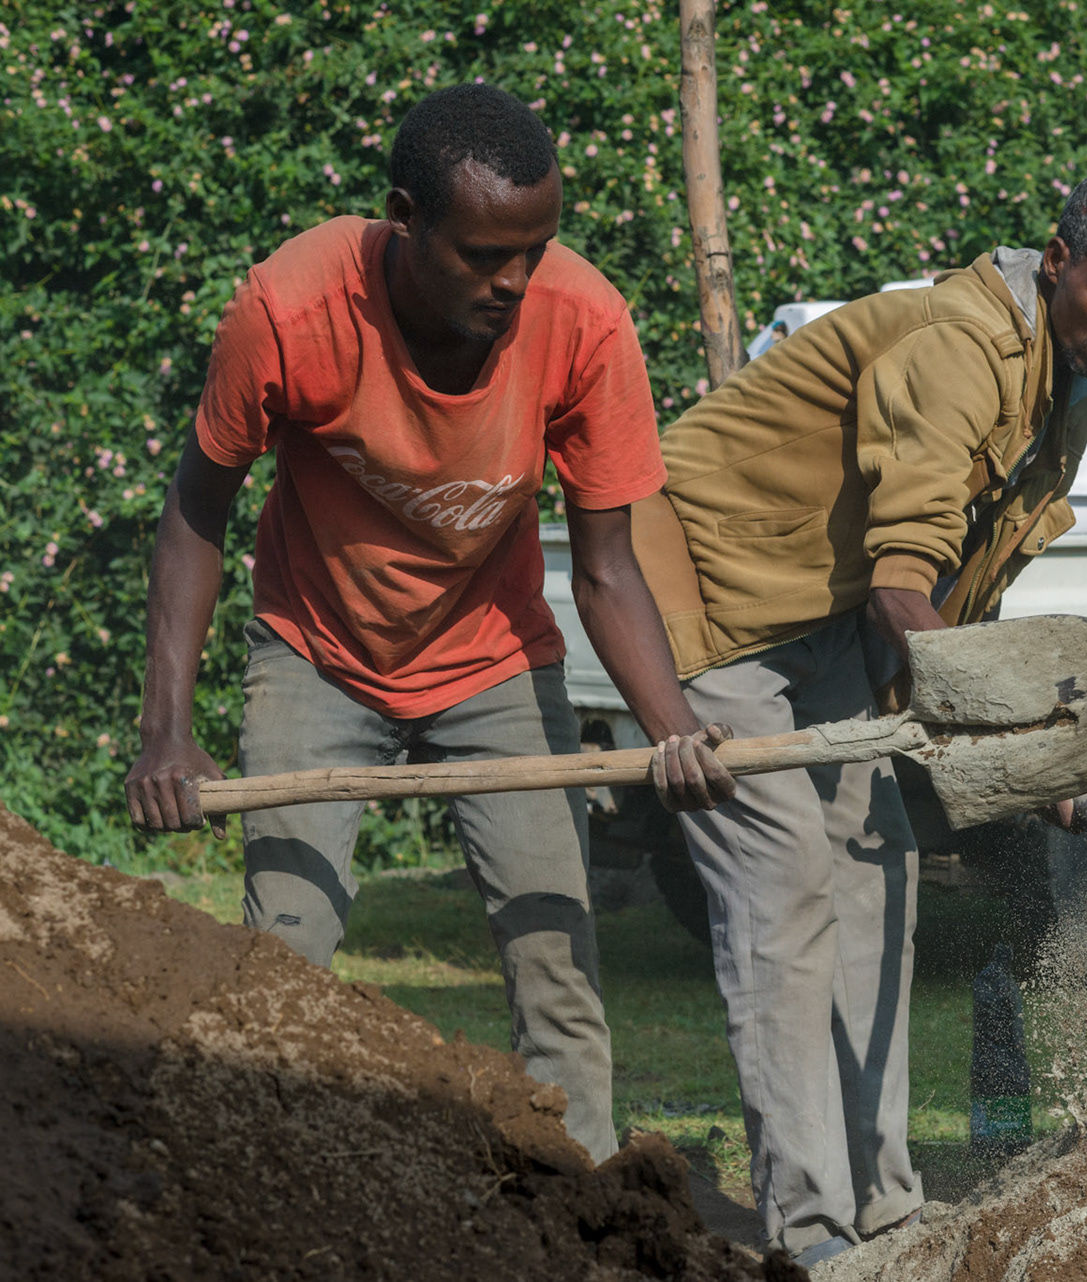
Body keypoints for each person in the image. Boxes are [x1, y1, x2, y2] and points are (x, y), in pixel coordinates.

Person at [122, 83, 733, 1164]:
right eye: (487, 256)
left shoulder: (584, 323)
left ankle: (579, 1209)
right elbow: (195, 511)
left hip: (495, 656)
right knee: (285, 951)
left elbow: (606, 571)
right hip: (319, 650)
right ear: (403, 217)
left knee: (557, 961)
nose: (515, 282)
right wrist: (165, 726)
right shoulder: (287, 311)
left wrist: (673, 727)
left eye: (535, 251)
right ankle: (259, 1185)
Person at [636, 170, 1087, 1264]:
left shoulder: (1068, 394)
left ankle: (886, 1210)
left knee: (876, 872)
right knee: (785, 887)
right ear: (1056, 258)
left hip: (825, 619)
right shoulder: (957, 346)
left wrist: (1046, 771)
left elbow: (965, 602)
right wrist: (1021, 739)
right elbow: (908, 589)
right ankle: (810, 1232)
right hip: (705, 595)